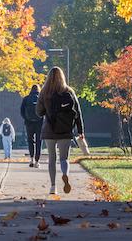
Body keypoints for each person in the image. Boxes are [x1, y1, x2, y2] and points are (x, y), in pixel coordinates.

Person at [36, 66, 85, 195]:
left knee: (52, 159)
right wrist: (81, 130)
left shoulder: (44, 92)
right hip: (65, 130)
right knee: (64, 158)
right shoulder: (69, 91)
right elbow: (78, 112)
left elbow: (39, 112)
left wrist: (47, 107)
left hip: (49, 130)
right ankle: (65, 174)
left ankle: (53, 186)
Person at [20, 84, 43, 167]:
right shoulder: (41, 98)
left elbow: (22, 111)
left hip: (29, 123)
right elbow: (45, 111)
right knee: (38, 142)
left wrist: (26, 118)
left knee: (30, 140)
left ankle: (32, 159)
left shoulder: (26, 99)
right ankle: (37, 161)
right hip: (39, 123)